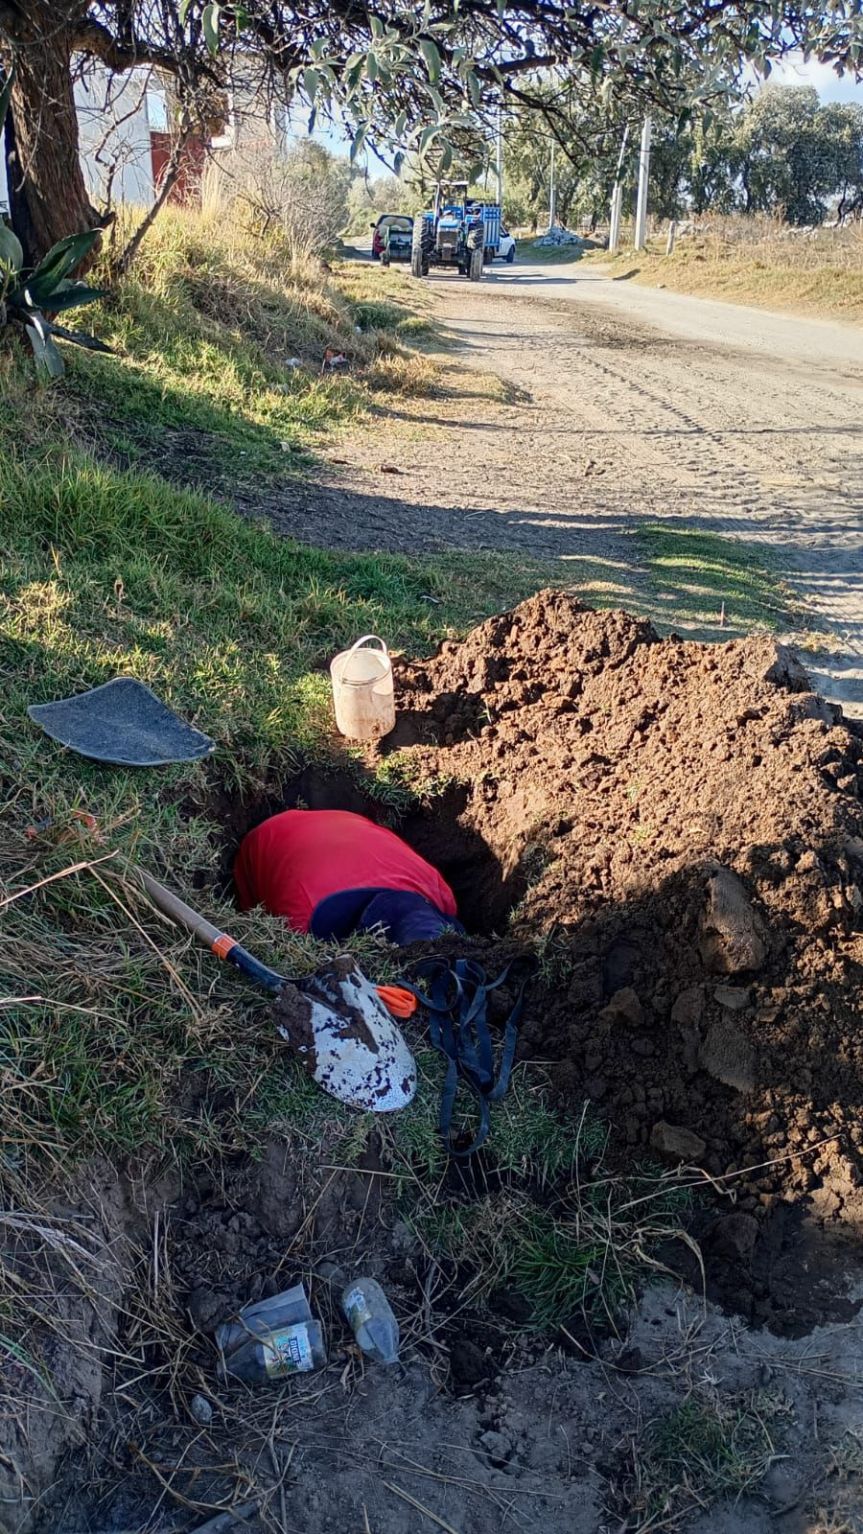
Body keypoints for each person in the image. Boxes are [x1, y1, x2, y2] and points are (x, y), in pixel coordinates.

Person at [234, 809, 462, 947]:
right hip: (266, 838)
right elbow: (264, 940)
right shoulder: (302, 921)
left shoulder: (434, 888)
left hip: (346, 821)